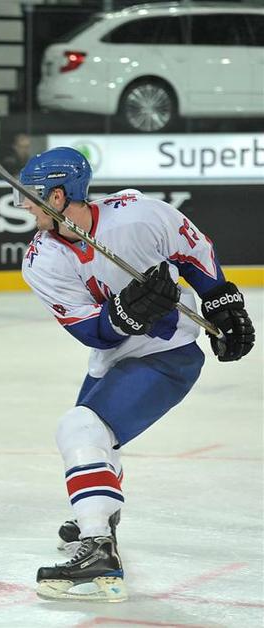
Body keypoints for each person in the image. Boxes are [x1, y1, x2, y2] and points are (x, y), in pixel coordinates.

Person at [17, 147, 255, 602]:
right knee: (94, 438)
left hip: (168, 354)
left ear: (59, 195)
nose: (25, 205)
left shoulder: (139, 214)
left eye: (32, 195)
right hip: (113, 356)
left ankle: (97, 547)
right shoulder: (41, 260)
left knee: (80, 428)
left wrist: (223, 304)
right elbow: (92, 331)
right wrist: (124, 315)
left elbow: (194, 253)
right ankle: (100, 517)